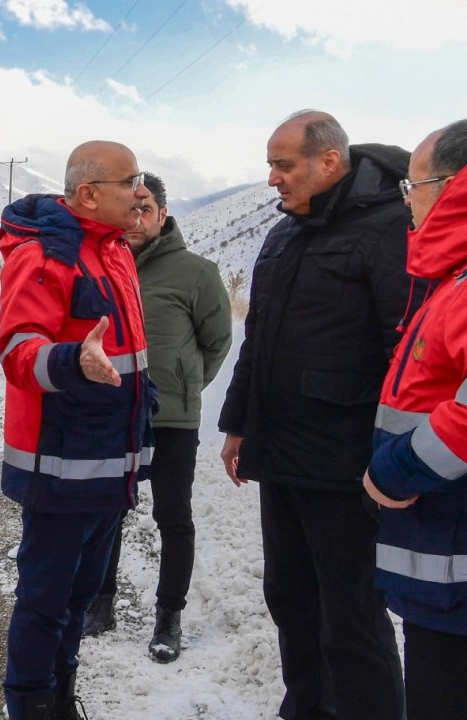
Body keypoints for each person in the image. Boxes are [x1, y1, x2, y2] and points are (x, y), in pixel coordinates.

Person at [217, 110, 415, 720]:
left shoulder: (389, 228)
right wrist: (238, 423)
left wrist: (395, 461)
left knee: (351, 613)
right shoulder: (283, 234)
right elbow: (257, 340)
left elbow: (404, 350)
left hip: (347, 464)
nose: (272, 178)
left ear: (328, 162)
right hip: (281, 454)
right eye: (270, 165)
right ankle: (304, 708)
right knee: (291, 599)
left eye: (283, 164)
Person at [0, 141, 153, 719]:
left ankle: (62, 697)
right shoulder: (42, 256)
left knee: (80, 597)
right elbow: (17, 351)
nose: (142, 190)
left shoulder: (114, 253)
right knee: (44, 603)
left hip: (110, 467)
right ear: (88, 193)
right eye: (129, 180)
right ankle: (31, 706)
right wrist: (70, 361)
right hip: (60, 470)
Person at [83, 172, 232, 665]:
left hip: (171, 418)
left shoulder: (197, 272)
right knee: (106, 512)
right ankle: (99, 603)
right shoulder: (102, 266)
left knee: (172, 516)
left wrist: (186, 384)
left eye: (147, 208)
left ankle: (169, 615)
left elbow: (216, 343)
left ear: (163, 215)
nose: (138, 216)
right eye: (132, 206)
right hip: (115, 414)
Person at [364, 119, 467, 720]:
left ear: (453, 186)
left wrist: (394, 470)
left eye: (416, 185)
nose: (410, 200)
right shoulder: (447, 281)